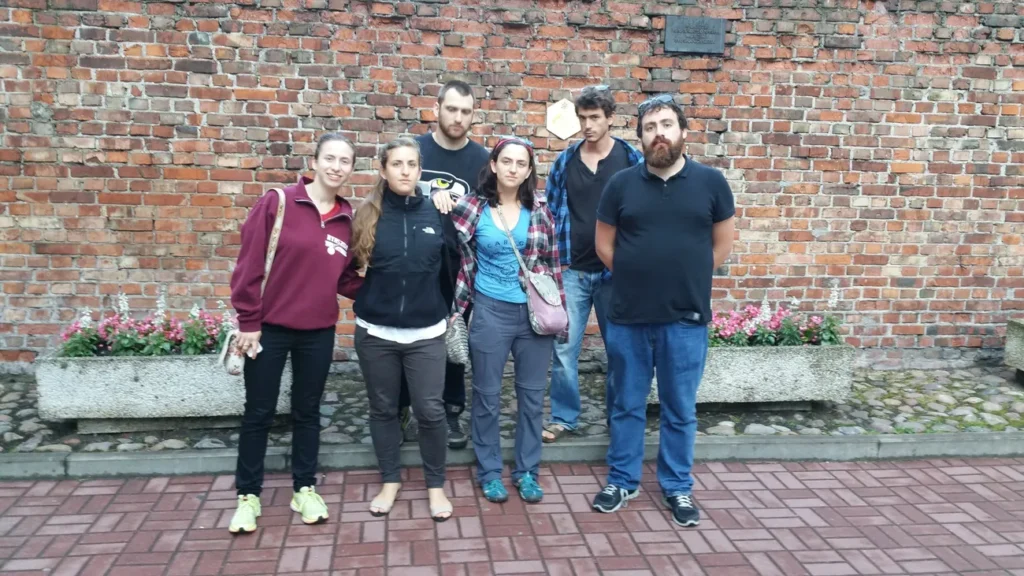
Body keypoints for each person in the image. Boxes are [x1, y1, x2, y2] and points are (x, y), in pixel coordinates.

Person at [591, 95, 735, 527]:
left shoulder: (711, 183)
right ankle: (622, 480)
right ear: (640, 137)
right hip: (629, 317)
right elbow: (603, 245)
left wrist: (685, 275)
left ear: (683, 132)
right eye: (650, 127)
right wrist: (637, 274)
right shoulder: (620, 185)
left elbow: (722, 245)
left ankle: (677, 488)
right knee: (627, 405)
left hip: (685, 320)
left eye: (667, 125)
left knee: (679, 409)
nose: (659, 134)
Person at [228, 132, 363, 534]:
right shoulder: (279, 202)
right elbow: (248, 265)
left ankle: (304, 488)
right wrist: (248, 322)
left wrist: (383, 284)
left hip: (318, 332)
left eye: (345, 161)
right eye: (330, 158)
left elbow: (346, 281)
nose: (337, 167)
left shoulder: (347, 220)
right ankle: (247, 496)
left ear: (352, 169)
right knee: (259, 413)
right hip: (268, 330)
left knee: (307, 413)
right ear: (315, 161)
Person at [449, 137, 566, 504]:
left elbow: (552, 263)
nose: (514, 168)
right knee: (486, 396)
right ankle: (489, 472)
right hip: (489, 311)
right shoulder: (471, 207)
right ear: (494, 165)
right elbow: (452, 254)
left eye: (521, 163)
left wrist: (560, 313)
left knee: (532, 398)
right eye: (507, 161)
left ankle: (527, 471)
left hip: (533, 316)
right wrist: (455, 307)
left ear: (529, 171)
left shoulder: (542, 210)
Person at [350, 137, 456, 522]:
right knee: (383, 408)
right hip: (375, 333)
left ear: (420, 170)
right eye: (397, 164)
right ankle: (390, 479)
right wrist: (368, 298)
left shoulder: (437, 212)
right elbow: (348, 268)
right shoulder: (367, 215)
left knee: (430, 410)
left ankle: (435, 485)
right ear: (383, 169)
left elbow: (452, 267)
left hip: (426, 333)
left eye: (412, 164)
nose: (405, 171)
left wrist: (445, 311)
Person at [542, 84, 644, 444]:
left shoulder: (631, 160)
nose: (587, 125)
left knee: (619, 348)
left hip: (615, 270)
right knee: (564, 347)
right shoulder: (565, 161)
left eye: (594, 118)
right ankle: (564, 417)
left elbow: (644, 212)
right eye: (582, 118)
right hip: (572, 269)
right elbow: (550, 213)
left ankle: (618, 417)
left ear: (610, 119)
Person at [397, 79, 490, 450]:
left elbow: (488, 209)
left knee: (454, 337)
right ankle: (404, 407)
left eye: (465, 111)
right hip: (415, 260)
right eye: (451, 109)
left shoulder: (482, 160)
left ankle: (451, 411)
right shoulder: (413, 150)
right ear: (436, 108)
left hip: (460, 264)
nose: (458, 117)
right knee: (408, 336)